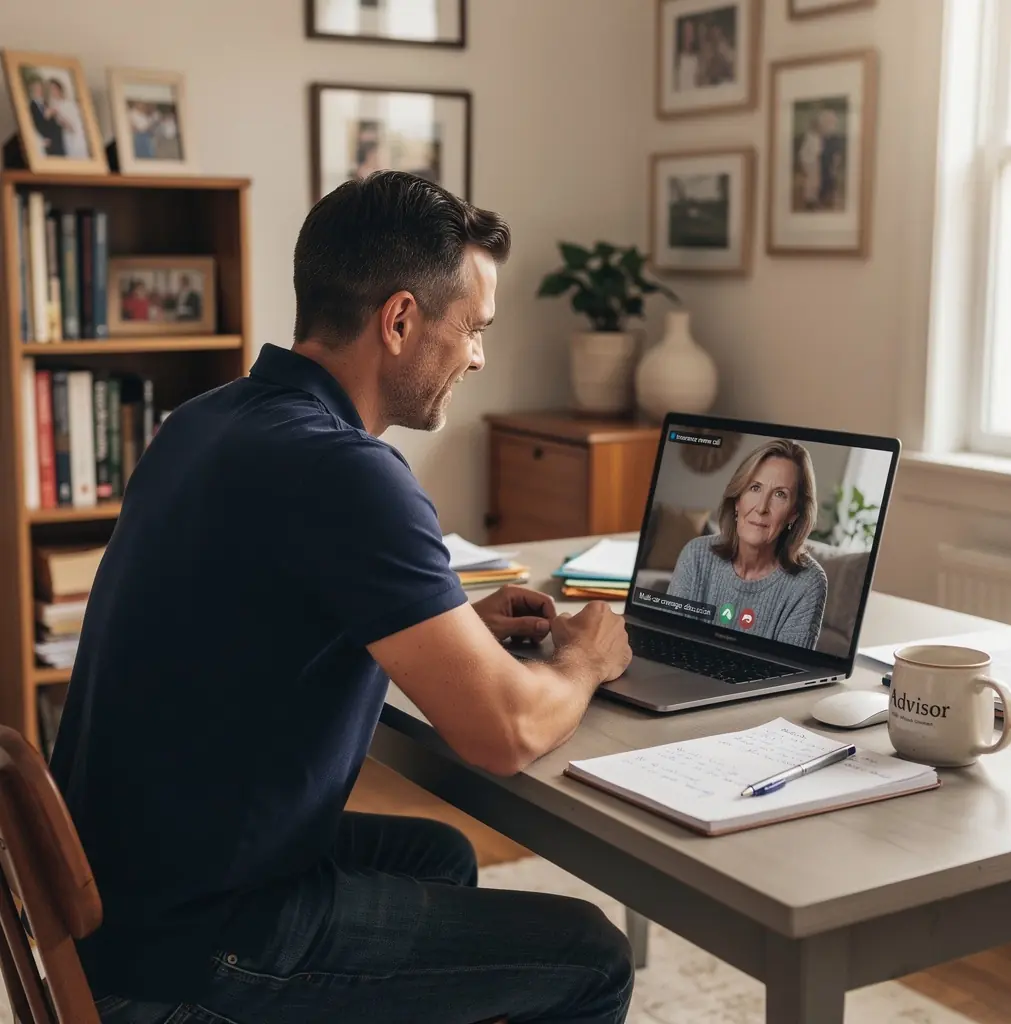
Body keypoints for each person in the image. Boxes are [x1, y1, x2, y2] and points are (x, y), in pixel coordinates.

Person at [49, 170, 635, 1024]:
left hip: (121, 898)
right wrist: (584, 657)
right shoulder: (348, 474)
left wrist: (446, 627)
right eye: (472, 329)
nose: (477, 356)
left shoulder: (206, 423)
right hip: (192, 949)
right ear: (399, 321)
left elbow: (256, 617)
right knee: (592, 956)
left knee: (432, 855)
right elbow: (503, 733)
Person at [667, 438, 827, 648]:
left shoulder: (808, 583)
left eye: (780, 494)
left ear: (793, 515)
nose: (761, 507)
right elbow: (670, 642)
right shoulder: (696, 555)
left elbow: (786, 672)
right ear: (737, 500)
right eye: (754, 488)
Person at [46, 78, 88, 159]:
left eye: (54, 88)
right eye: (50, 89)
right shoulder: (52, 106)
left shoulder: (69, 105)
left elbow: (73, 126)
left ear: (60, 89)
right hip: (65, 140)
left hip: (76, 139)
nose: (53, 91)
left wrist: (59, 116)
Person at [26, 76, 64, 156]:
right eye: (36, 88)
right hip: (45, 141)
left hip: (56, 140)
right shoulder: (31, 107)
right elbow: (35, 124)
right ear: (32, 90)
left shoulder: (46, 104)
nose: (39, 90)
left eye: (40, 87)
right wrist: (42, 139)